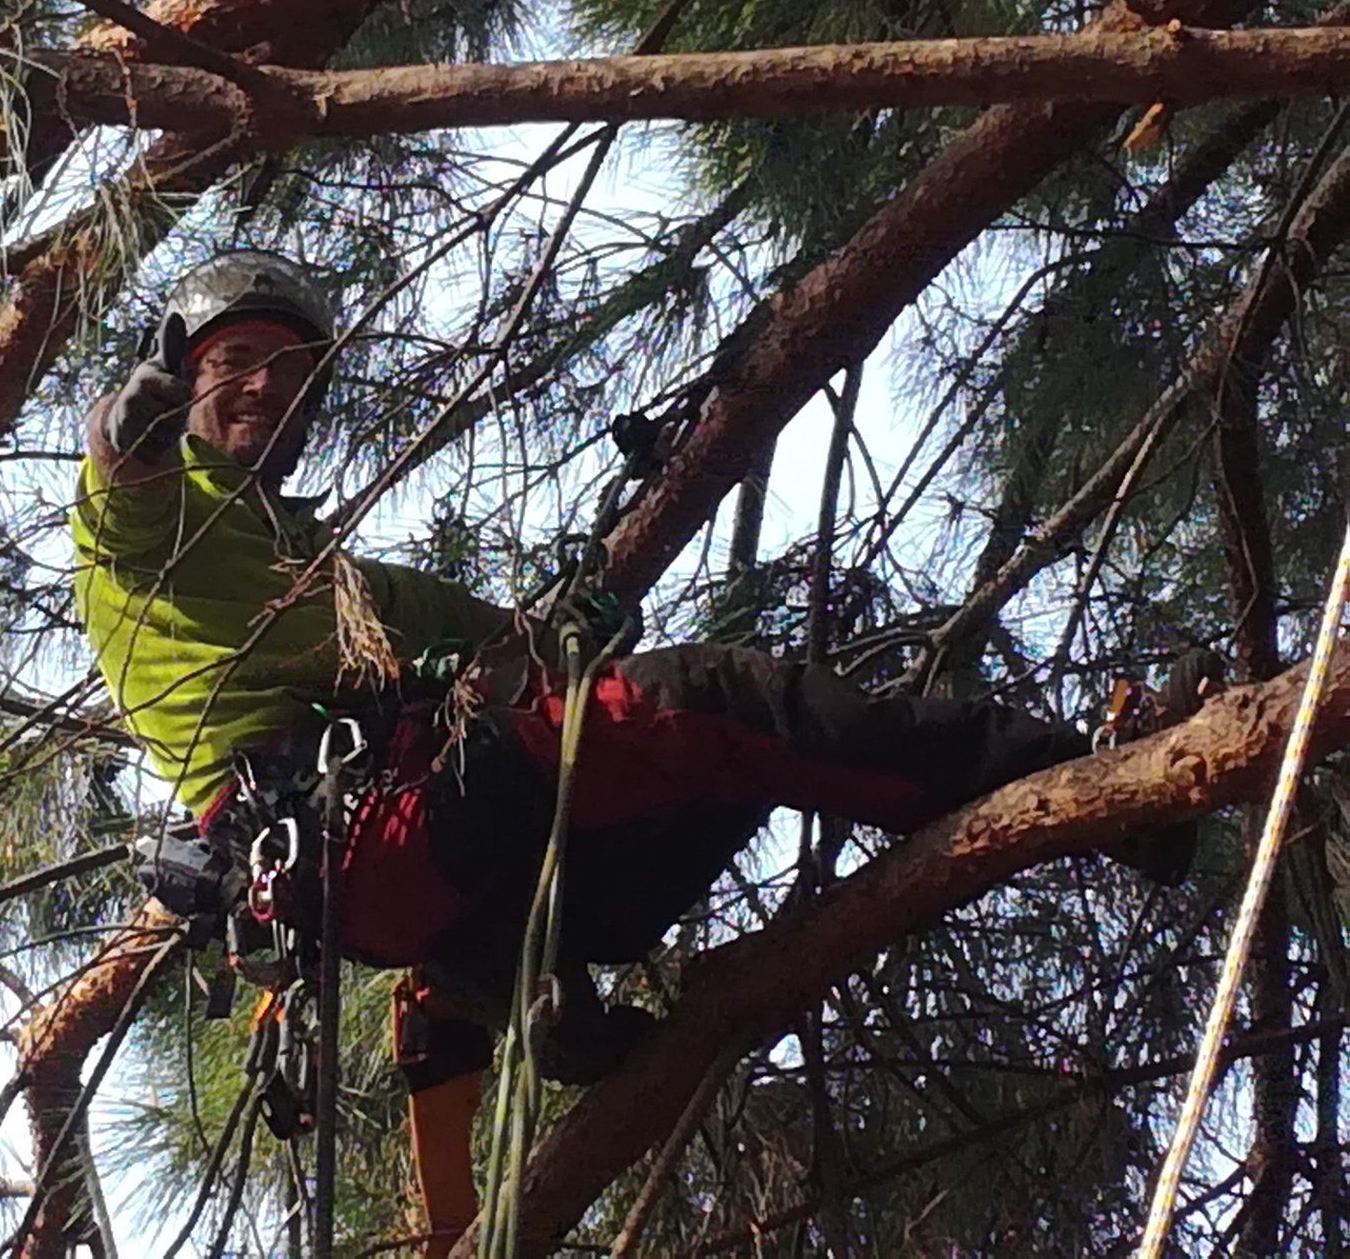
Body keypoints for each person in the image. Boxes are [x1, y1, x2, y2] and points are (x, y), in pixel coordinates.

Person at [70, 251, 1198, 1251]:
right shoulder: (160, 519)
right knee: (700, 701)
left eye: (293, 369)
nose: (268, 384)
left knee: (723, 767)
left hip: (432, 850)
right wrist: (137, 413)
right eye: (240, 359)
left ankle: (497, 973)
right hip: (355, 843)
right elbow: (119, 483)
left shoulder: (334, 573)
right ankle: (1069, 769)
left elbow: (503, 641)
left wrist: (570, 617)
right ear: (188, 370)